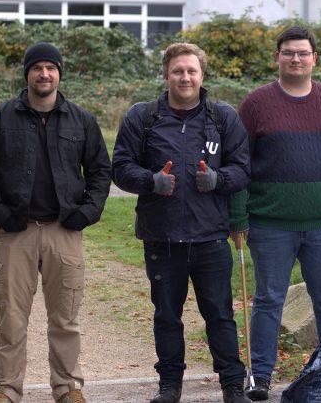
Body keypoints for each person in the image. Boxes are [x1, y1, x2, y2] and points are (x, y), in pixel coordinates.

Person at [0, 43, 111, 403]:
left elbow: (100, 172)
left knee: (65, 318)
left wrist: (85, 213)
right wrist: (1, 214)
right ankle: (6, 389)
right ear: (27, 74)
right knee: (12, 317)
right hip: (17, 234)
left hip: (64, 232)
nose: (44, 74)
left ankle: (67, 388)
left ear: (60, 73)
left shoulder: (82, 120)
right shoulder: (0, 117)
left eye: (51, 67)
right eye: (37, 68)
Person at [111, 43, 252, 403]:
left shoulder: (222, 118)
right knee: (167, 316)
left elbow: (243, 169)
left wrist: (218, 180)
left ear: (202, 75)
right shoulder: (143, 117)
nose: (185, 77)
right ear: (166, 74)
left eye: (191, 71)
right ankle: (170, 384)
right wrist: (150, 181)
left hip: (211, 239)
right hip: (163, 238)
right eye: (178, 71)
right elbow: (121, 168)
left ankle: (232, 385)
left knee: (220, 316)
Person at [228, 26, 321, 401]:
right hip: (270, 224)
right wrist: (238, 219)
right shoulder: (254, 104)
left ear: (315, 58)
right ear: (277, 58)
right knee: (269, 299)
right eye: (289, 52)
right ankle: (261, 376)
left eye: (303, 53)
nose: (296, 59)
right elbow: (239, 164)